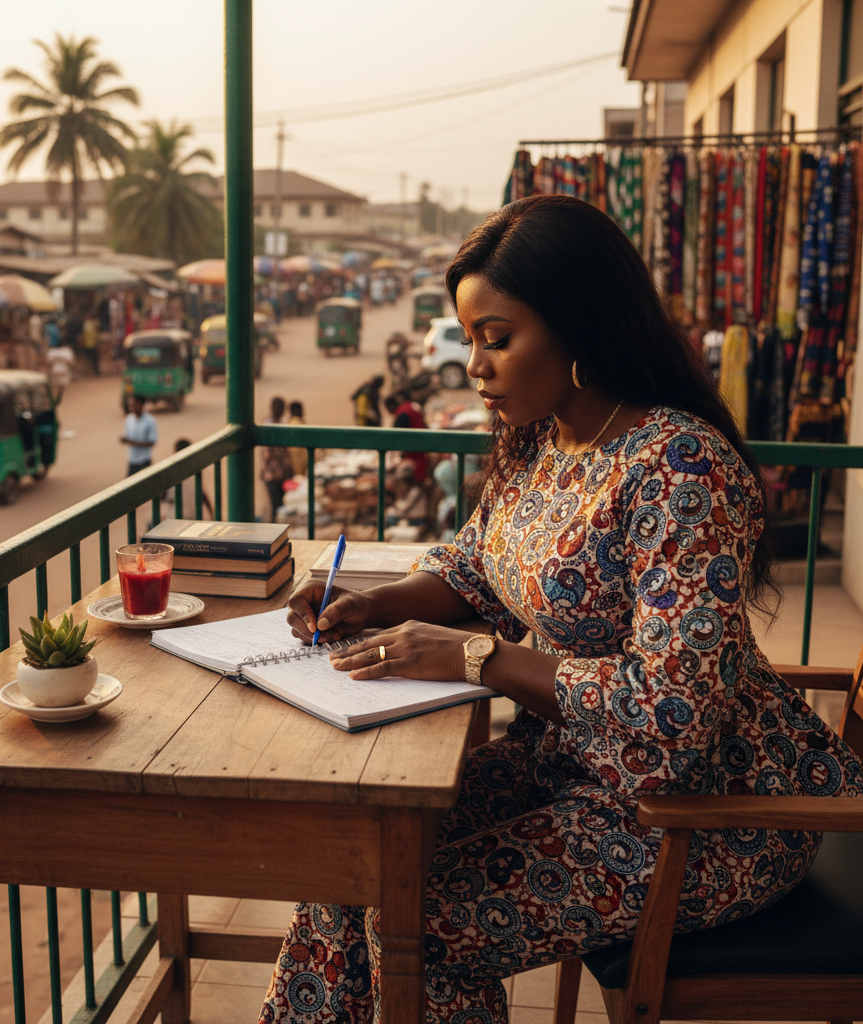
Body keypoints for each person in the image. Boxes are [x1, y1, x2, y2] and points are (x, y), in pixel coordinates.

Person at [260, 196, 863, 1024]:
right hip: (574, 769)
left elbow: (674, 713)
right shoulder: (544, 442)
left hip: (705, 810)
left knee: (418, 922)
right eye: (470, 339)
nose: (475, 366)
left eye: (496, 339)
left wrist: (471, 657)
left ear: (578, 323)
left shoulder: (679, 469)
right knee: (350, 869)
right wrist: (372, 604)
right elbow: (474, 566)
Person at [384, 390, 429, 484]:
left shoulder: (402, 413)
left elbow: (396, 436)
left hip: (412, 454)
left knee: (412, 481)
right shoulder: (412, 406)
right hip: (421, 450)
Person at [260, 396, 293, 523]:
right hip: (271, 474)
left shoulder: (280, 423)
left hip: (280, 473)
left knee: (279, 504)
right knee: (276, 505)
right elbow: (269, 455)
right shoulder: (269, 425)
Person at [120, 395, 157, 476]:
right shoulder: (129, 419)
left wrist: (134, 442)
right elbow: (126, 435)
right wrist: (124, 440)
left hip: (144, 460)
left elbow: (152, 442)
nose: (131, 407)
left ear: (140, 405)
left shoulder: (150, 421)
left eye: (133, 405)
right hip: (132, 460)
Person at [286, 400, 308, 477]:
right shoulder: (297, 424)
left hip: (294, 466)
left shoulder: (290, 423)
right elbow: (295, 451)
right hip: (297, 467)